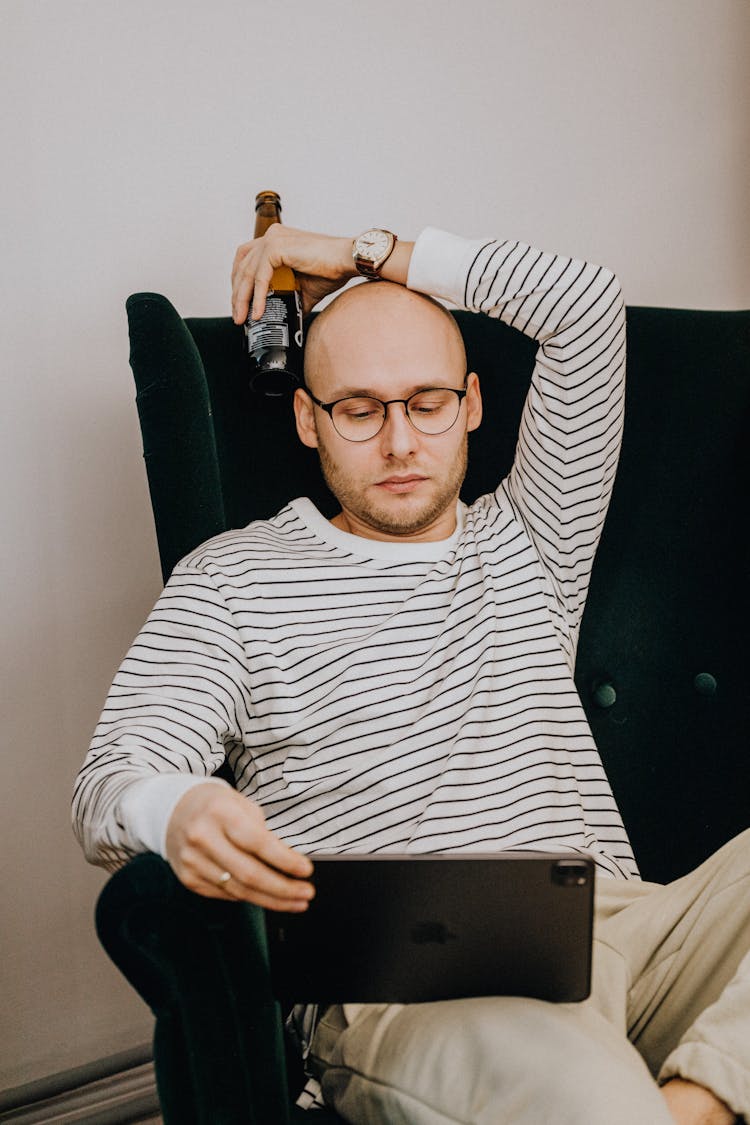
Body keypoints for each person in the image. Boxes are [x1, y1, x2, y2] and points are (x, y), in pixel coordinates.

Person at [73, 221, 749, 1124]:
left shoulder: (526, 540)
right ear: (307, 418)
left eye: (426, 402)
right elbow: (108, 784)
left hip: (626, 924)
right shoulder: (232, 579)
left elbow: (582, 302)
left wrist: (355, 253)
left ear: (470, 404)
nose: (399, 442)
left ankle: (693, 1101)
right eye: (359, 408)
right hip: (419, 976)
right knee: (565, 1087)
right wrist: (179, 808)